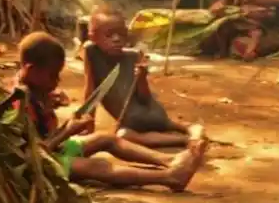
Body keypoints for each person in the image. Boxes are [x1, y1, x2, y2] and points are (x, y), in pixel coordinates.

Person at [11, 31, 207, 190]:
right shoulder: (17, 103)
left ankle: (169, 160)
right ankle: (170, 177)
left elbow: (43, 130)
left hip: (53, 148)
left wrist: (50, 101)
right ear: (31, 69)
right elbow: (34, 154)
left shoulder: (33, 88)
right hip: (39, 164)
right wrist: (68, 131)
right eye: (53, 76)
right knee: (97, 167)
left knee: (106, 139)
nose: (56, 82)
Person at [82, 7, 192, 149]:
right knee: (124, 134)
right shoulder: (91, 52)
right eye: (109, 35)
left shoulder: (133, 57)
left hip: (149, 114)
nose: (116, 39)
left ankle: (185, 135)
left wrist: (141, 78)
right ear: (93, 37)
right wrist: (89, 124)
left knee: (127, 134)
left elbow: (145, 98)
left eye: (121, 34)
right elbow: (90, 91)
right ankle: (183, 138)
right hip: (130, 122)